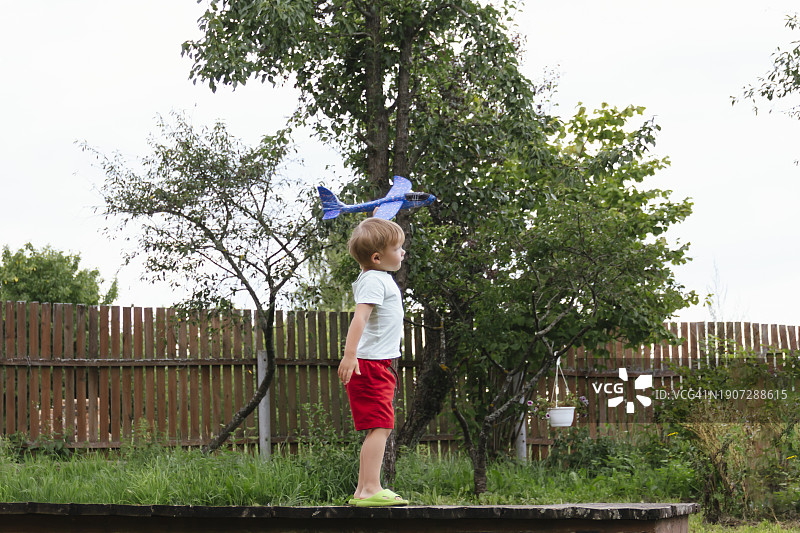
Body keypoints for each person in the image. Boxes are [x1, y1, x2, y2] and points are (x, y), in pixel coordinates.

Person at [338, 217, 409, 507]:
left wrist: (378, 217)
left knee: (379, 426)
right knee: (381, 425)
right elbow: (360, 317)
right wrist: (350, 354)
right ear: (378, 257)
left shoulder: (378, 277)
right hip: (369, 365)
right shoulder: (373, 280)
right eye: (397, 247)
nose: (403, 252)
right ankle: (369, 488)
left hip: (378, 364)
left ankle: (363, 490)